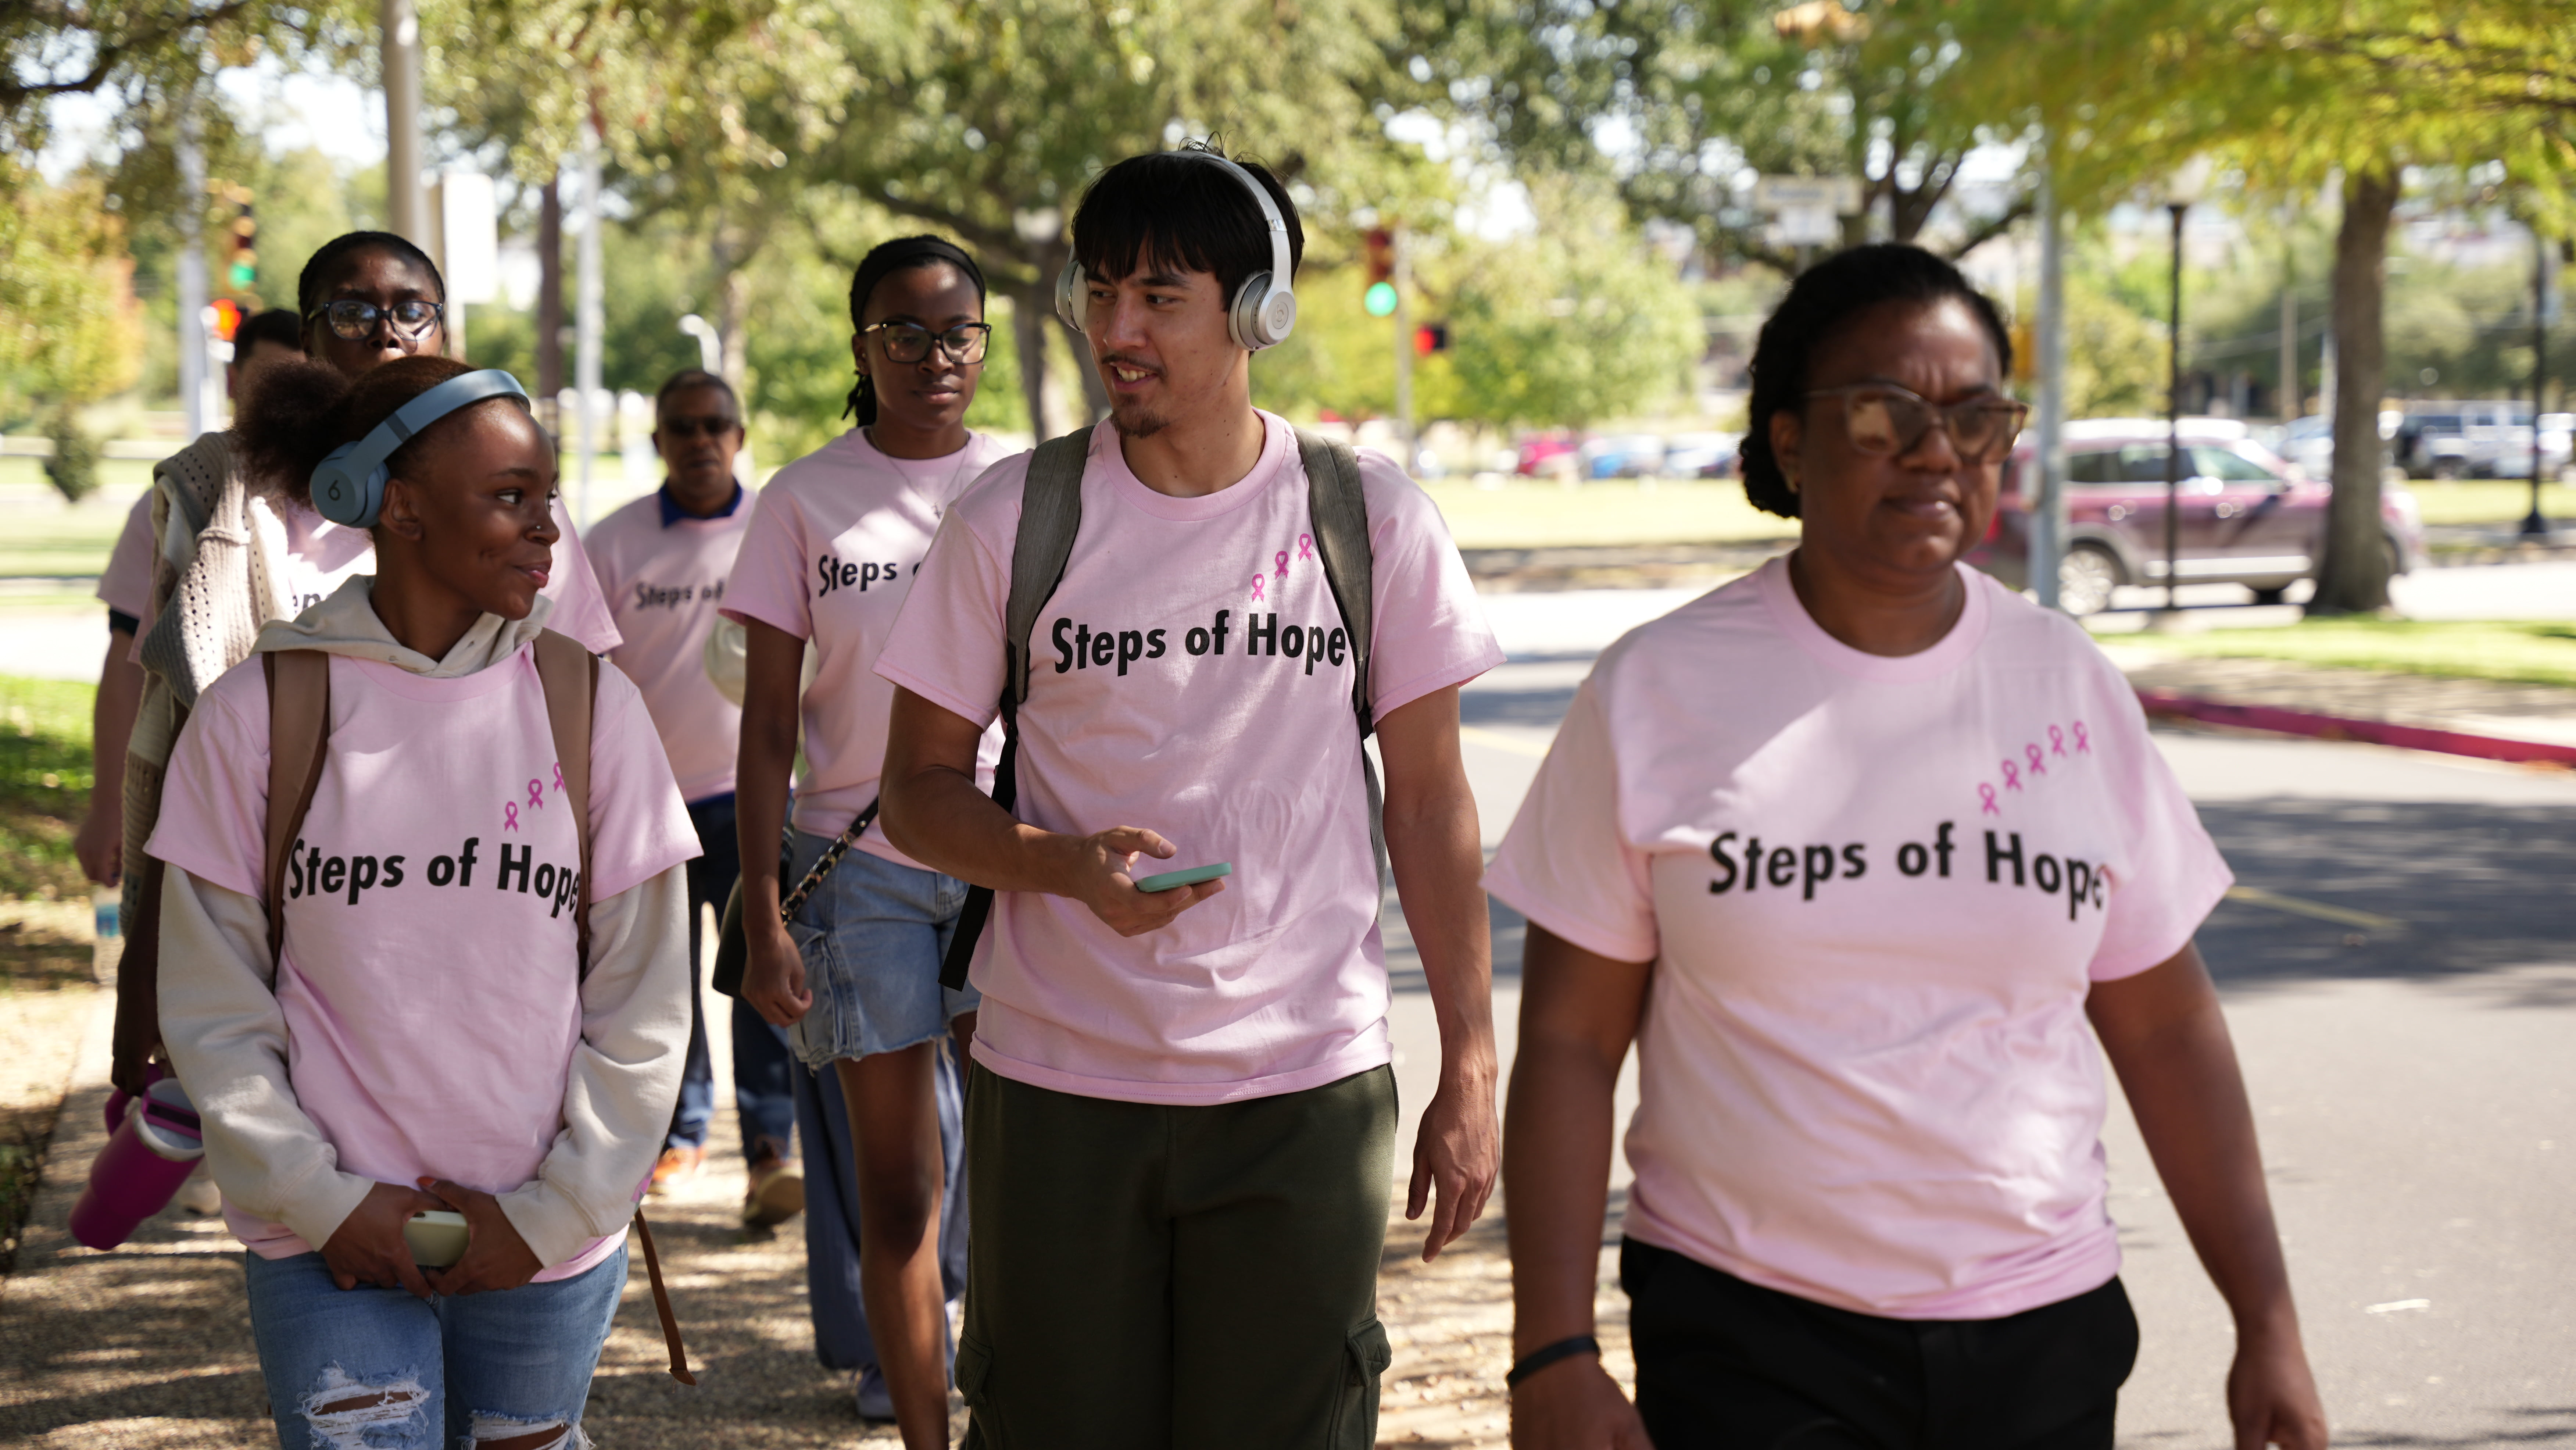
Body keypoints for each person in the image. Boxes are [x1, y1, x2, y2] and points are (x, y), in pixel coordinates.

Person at [1487, 244, 2329, 1450]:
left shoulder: (2066, 685)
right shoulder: (1656, 690)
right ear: (1788, 440)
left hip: (2042, 1331)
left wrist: (2266, 1318)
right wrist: (1551, 1348)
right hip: (1749, 1330)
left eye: (1977, 415)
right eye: (1885, 411)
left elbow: (2162, 1023)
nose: (1936, 448)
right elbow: (1568, 1041)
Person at [873, 144, 1503, 1449]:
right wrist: (1057, 866)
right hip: (1055, 1085)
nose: (1118, 329)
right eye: (1098, 293)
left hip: (1302, 1089)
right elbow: (915, 795)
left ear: (1257, 308)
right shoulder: (1012, 519)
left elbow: (1430, 805)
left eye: (1159, 295)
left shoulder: (1368, 521)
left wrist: (1468, 1062)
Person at [149, 352, 695, 1448]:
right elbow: (216, 1006)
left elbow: (644, 1002)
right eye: (509, 498)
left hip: (542, 1246)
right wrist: (323, 1200)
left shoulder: (594, 707)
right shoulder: (260, 712)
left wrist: (553, 1214)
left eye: (550, 496)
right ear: (396, 507)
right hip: (326, 1242)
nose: (549, 528)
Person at [111, 232, 623, 1100]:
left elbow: (589, 724)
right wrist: (145, 970)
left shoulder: (522, 505)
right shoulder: (227, 502)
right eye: (351, 312)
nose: (385, 332)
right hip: (293, 907)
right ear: (307, 342)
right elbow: (184, 744)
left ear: (444, 332)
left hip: (491, 897)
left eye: (410, 310)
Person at [725, 235, 1002, 1438]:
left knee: (1026, 1178)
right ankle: (924, 1432)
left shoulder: (1032, 483)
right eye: (903, 331)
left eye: (956, 333)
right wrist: (764, 912)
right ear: (860, 345)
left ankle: (1021, 1405)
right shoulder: (800, 500)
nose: (932, 356)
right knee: (900, 1199)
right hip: (862, 878)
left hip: (1013, 867)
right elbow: (768, 728)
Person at [584, 368, 806, 1228]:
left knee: (764, 972)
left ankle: (769, 1151)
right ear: (659, 443)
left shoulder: (777, 532)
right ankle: (680, 1133)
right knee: (664, 986)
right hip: (650, 808)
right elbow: (585, 675)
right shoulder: (612, 546)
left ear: (740, 436)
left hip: (764, 800)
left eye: (717, 424)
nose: (701, 439)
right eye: (682, 426)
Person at [80, 307, 304, 892]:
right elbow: (132, 663)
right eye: (268, 380)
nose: (286, 404)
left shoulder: (353, 509)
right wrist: (110, 804)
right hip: (207, 802)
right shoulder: (183, 502)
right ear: (234, 381)